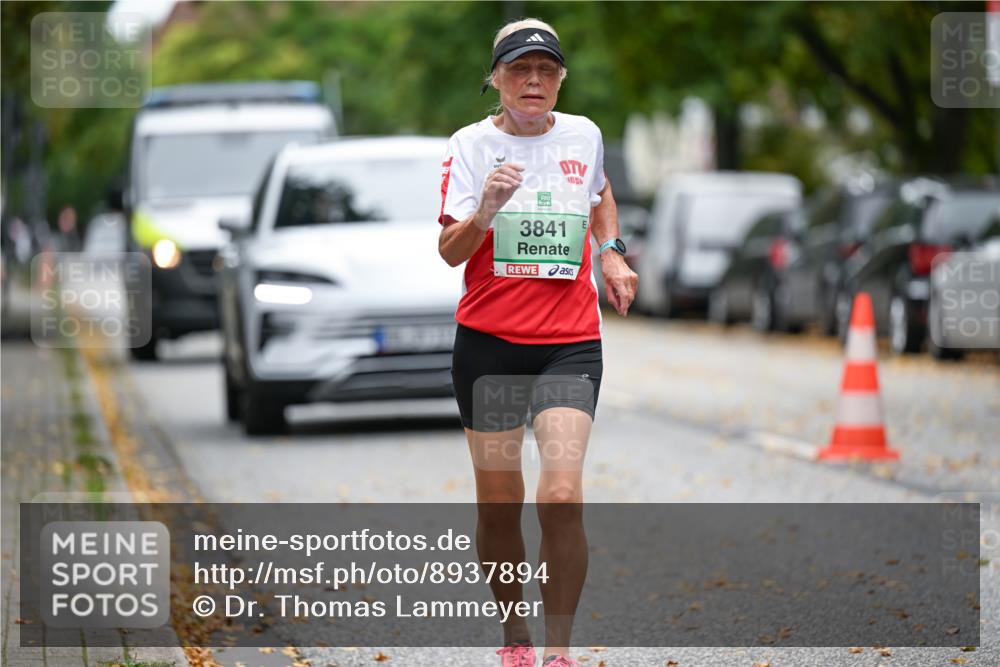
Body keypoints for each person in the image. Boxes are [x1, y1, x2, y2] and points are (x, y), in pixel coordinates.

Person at [437, 18, 638, 667]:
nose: (533, 80)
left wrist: (610, 252)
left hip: (568, 345)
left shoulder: (584, 134)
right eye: (519, 69)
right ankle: (514, 637)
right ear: (495, 79)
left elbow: (600, 193)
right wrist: (484, 212)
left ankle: (558, 650)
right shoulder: (471, 146)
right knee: (501, 502)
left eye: (546, 70)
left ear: (560, 79)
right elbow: (449, 251)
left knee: (560, 495)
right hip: (489, 345)